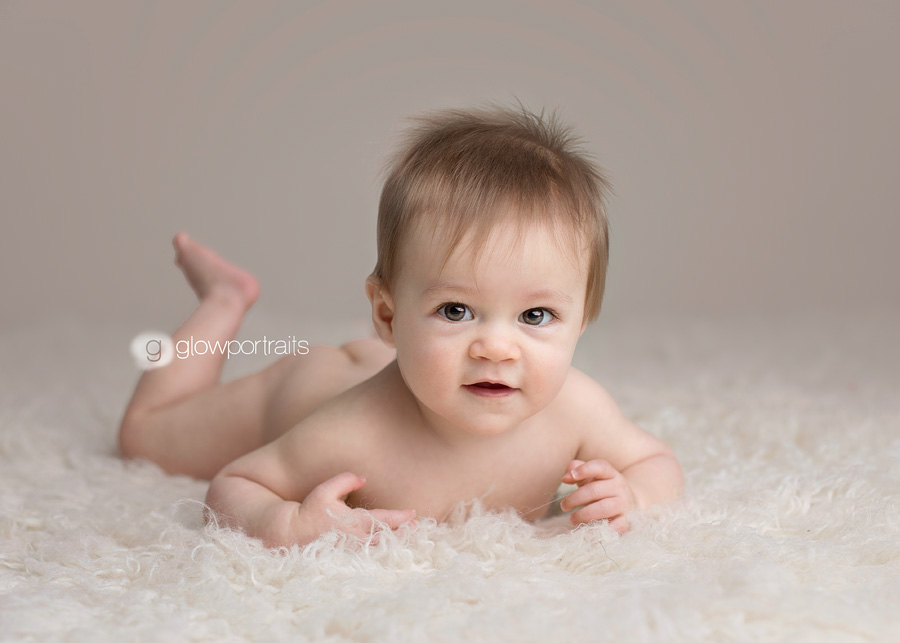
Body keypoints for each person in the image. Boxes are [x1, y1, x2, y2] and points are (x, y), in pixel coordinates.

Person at [118, 104, 683, 548]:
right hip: (311, 385)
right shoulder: (350, 433)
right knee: (143, 437)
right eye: (455, 311)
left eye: (536, 316)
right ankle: (223, 299)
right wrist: (283, 524)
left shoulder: (576, 410)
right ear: (387, 315)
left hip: (395, 364)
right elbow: (235, 485)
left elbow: (655, 462)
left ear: (582, 320)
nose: (496, 347)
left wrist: (633, 495)